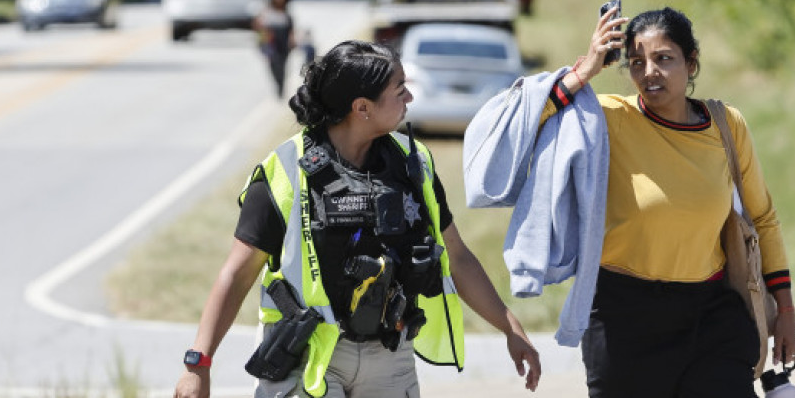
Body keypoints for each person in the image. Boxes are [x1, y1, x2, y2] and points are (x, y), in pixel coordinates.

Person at [463, 6, 795, 397]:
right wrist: (584, 71)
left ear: (691, 64)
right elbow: (511, 130)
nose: (649, 72)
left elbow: (762, 218)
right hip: (622, 316)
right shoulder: (605, 118)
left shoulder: (727, 125)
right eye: (637, 62)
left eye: (664, 59)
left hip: (711, 315)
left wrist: (786, 312)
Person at [173, 40, 541, 398]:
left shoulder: (415, 164)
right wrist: (197, 364)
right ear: (362, 107)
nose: (409, 99)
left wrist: (511, 329)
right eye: (399, 90)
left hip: (390, 358)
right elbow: (237, 273)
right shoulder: (284, 170)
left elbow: (456, 257)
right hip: (307, 354)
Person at [253, 0, 296, 98]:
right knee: (273, 65)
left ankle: (281, 87)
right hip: (271, 42)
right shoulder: (266, 12)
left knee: (282, 66)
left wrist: (292, 41)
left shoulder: (287, 13)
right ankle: (278, 85)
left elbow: (291, 30)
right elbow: (258, 27)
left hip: (284, 43)